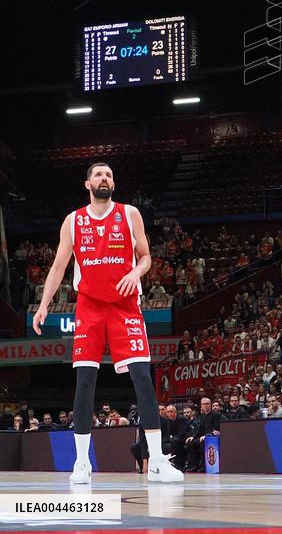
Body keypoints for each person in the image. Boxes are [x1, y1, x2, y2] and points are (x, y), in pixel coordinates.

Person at [32, 163, 182, 485]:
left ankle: (157, 460)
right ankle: (82, 462)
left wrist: (135, 273)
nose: (105, 178)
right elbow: (58, 267)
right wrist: (44, 305)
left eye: (109, 175)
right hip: (89, 307)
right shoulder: (73, 221)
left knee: (143, 378)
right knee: (85, 380)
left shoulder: (129, 214)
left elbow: (146, 257)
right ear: (88, 183)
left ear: (113, 184)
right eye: (99, 175)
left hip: (125, 305)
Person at [185, 397, 221, 472]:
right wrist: (193, 437)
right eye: (203, 404)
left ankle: (204, 466)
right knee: (190, 443)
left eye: (207, 404)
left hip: (212, 438)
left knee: (203, 442)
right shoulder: (202, 416)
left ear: (210, 405)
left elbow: (217, 429)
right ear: (201, 406)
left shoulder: (215, 415)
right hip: (203, 437)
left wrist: (207, 436)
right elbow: (200, 430)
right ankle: (194, 466)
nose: (205, 405)